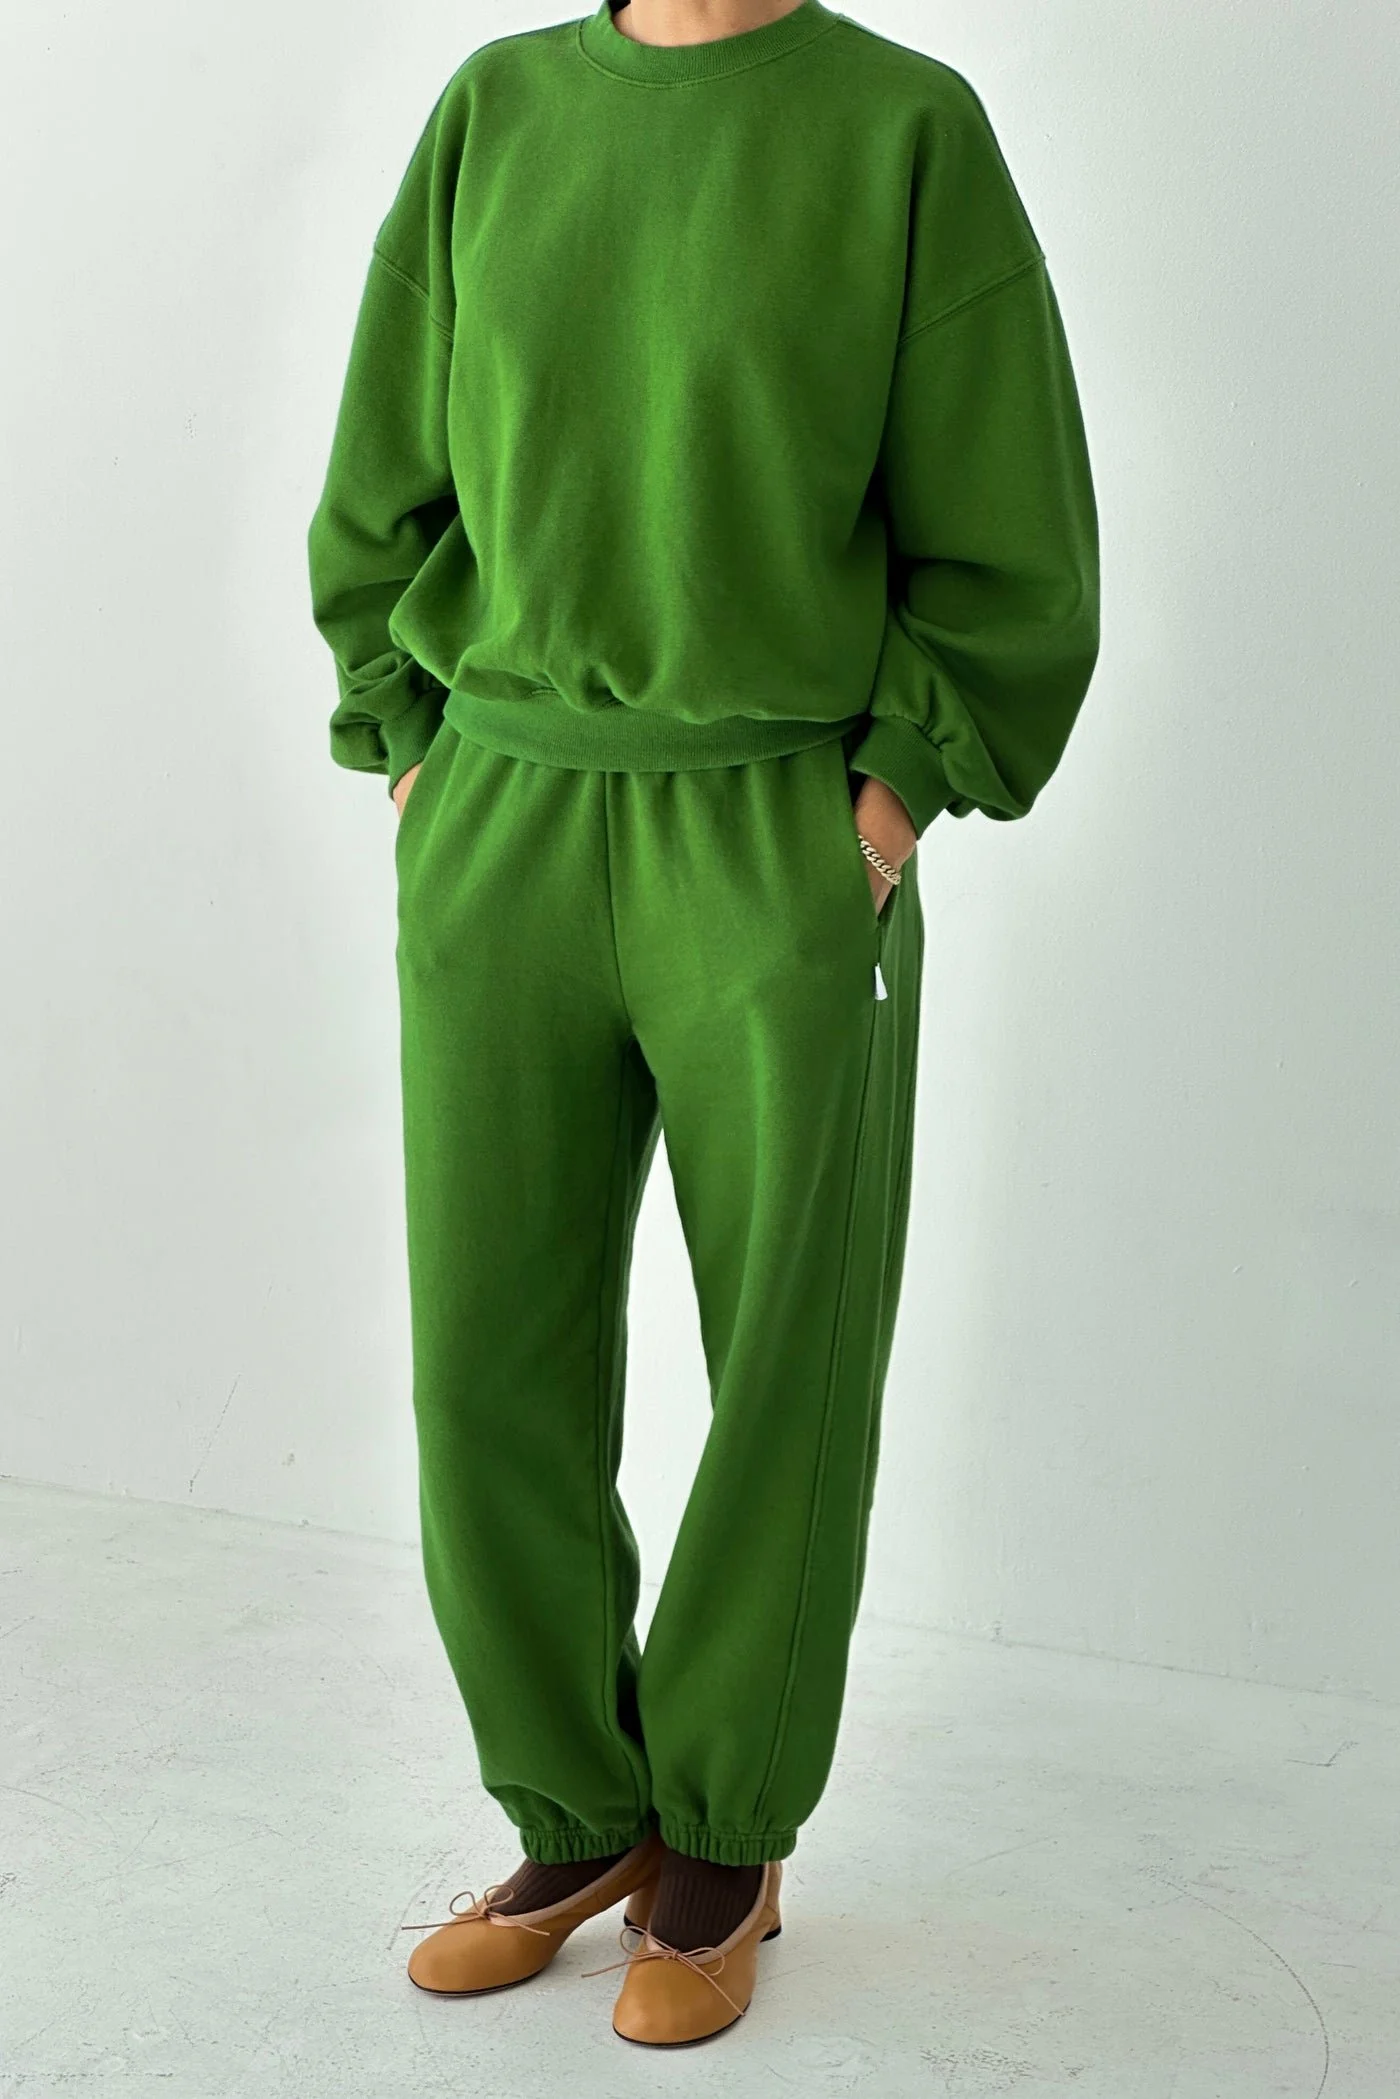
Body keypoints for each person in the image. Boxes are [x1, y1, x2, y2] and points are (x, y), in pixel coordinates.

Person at [306, 0, 1098, 2047]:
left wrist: (892, 797)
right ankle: (573, 1817)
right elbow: (384, 465)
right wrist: (411, 743)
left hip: (770, 822)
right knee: (488, 1351)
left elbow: (1010, 527)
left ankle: (723, 1842)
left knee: (786, 1361)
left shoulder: (903, 130)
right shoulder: (495, 111)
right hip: (503, 807)